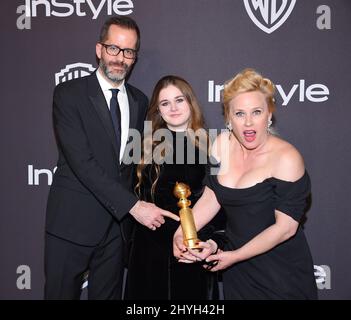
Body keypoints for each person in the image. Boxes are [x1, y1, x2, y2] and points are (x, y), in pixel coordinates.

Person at [44, 16, 179, 300]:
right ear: (99, 49)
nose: (120, 58)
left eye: (128, 51)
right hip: (72, 225)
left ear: (134, 57)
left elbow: (135, 166)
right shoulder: (69, 94)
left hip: (117, 232)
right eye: (113, 48)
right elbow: (82, 163)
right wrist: (134, 206)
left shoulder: (140, 101)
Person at [173, 69, 318, 300]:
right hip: (238, 274)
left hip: (280, 274)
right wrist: (181, 232)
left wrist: (235, 255)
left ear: (269, 114)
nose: (248, 122)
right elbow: (211, 198)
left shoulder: (287, 158)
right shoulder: (221, 145)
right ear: (228, 118)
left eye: (257, 112)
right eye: (239, 113)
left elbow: (285, 228)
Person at [124, 75, 226, 300]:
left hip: (192, 247)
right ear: (158, 110)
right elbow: (131, 201)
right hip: (149, 251)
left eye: (179, 100)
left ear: (190, 102)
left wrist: (207, 240)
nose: (173, 108)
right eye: (165, 103)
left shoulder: (214, 147)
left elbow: (221, 205)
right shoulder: (143, 147)